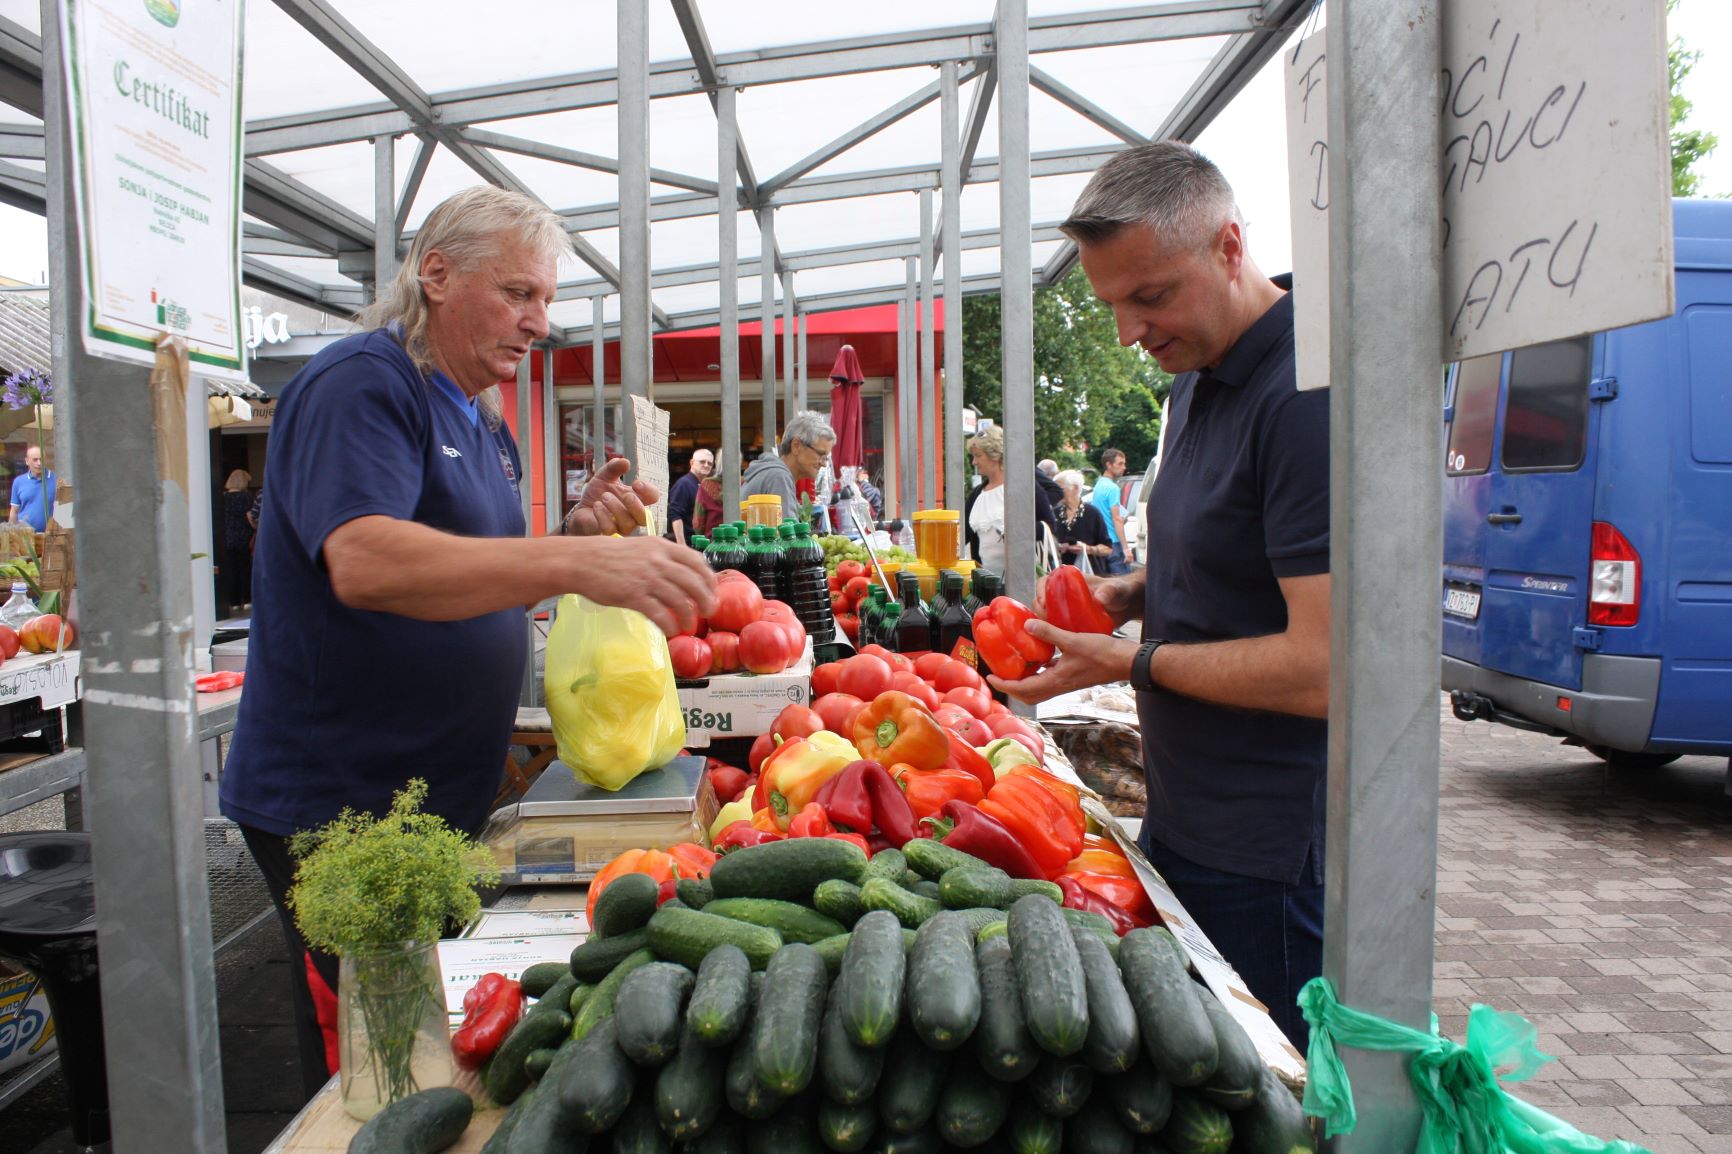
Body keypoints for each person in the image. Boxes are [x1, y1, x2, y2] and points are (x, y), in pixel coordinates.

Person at [220, 186, 718, 1100]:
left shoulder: (482, 418)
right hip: (343, 800)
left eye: (547, 300)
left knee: (425, 1041)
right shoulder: (362, 384)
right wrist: (575, 565)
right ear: (437, 273)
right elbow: (365, 560)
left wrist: (572, 531)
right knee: (374, 1059)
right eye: (520, 294)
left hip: (437, 790)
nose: (541, 322)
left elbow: (478, 565)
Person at [990, 142, 1329, 1049]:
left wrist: (1130, 660)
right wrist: (1125, 593)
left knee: (1277, 1093)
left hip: (1274, 852)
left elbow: (1324, 667)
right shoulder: (1194, 382)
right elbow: (1225, 558)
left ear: (1229, 246)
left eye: (1150, 296)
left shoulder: (1307, 395)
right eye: (1112, 305)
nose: (1128, 333)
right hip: (1190, 816)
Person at [963, 424, 1057, 575]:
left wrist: (1017, 531)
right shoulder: (977, 494)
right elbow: (964, 535)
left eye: (978, 456)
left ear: (995, 455)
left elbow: (1049, 525)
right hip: (989, 584)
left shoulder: (1024, 488)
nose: (974, 462)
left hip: (1026, 581)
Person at [741, 411, 835, 516]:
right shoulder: (779, 477)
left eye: (825, 458)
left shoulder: (771, 473)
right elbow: (787, 531)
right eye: (821, 454)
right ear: (796, 446)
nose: (824, 464)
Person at [1052, 469, 1113, 570]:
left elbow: (1108, 549)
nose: (1056, 493)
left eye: (1061, 489)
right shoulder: (1055, 513)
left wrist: (1087, 549)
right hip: (1060, 575)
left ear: (1075, 488)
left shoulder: (1092, 513)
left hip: (1088, 574)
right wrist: (1058, 547)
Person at [1092, 448, 1133, 575]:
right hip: (1114, 543)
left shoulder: (1099, 485)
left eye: (1124, 463)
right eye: (1120, 463)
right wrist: (1126, 548)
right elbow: (1116, 519)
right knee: (1124, 587)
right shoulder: (1113, 488)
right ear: (1109, 465)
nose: (1124, 467)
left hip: (1102, 542)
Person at [219, 469, 254, 615]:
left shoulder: (223, 497)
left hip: (227, 538)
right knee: (245, 569)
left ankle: (233, 602)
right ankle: (246, 600)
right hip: (243, 537)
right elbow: (250, 518)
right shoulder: (245, 497)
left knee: (231, 570)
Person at [668, 447, 713, 545]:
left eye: (710, 463)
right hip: (689, 544)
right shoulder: (683, 484)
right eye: (702, 462)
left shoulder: (705, 486)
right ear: (692, 463)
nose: (706, 465)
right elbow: (675, 514)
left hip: (702, 544)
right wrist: (681, 544)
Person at [8, 444, 55, 532]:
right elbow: (14, 510)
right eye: (35, 460)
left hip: (52, 537)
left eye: (41, 459)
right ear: (27, 461)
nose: (39, 463)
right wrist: (11, 534)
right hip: (25, 537)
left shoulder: (56, 480)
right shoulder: (18, 482)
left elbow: (65, 508)